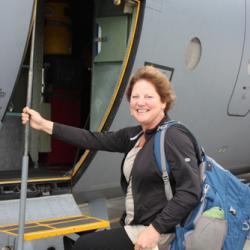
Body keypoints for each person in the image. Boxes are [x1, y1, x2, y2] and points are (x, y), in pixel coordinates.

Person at [22, 66, 202, 250]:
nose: (140, 102)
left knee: (85, 246)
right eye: (135, 97)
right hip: (136, 226)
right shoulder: (134, 135)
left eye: (149, 97)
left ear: (164, 102)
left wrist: (154, 231)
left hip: (162, 232)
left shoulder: (174, 137)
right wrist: (44, 124)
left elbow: (190, 191)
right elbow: (91, 139)